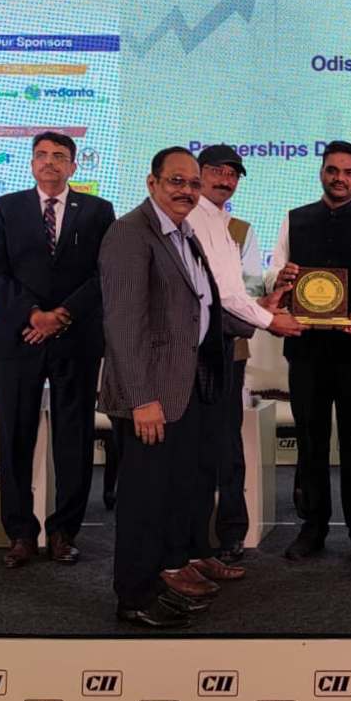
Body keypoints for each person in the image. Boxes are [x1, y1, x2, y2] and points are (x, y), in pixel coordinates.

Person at [98, 147, 228, 627]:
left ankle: (154, 585)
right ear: (151, 183)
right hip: (149, 396)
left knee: (168, 495)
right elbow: (123, 324)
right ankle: (133, 596)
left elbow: (199, 307)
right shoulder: (130, 233)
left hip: (182, 388)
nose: (186, 191)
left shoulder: (183, 233)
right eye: (176, 181)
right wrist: (142, 399)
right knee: (142, 501)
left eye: (193, 184)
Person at [0, 131, 116, 568]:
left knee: (73, 438)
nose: (49, 162)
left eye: (59, 156)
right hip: (18, 337)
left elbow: (103, 274)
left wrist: (61, 315)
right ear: (31, 163)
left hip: (75, 337)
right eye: (41, 155)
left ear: (74, 166)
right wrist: (34, 315)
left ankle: (64, 531)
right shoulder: (6, 207)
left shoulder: (97, 210)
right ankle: (20, 533)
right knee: (15, 437)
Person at [265, 141, 351, 562]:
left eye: (349, 172)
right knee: (310, 439)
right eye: (333, 170)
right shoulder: (294, 218)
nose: (340, 178)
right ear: (321, 172)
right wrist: (280, 278)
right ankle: (312, 528)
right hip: (306, 348)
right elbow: (275, 270)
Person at [188, 145, 305, 565]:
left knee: (226, 442)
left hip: (229, 349)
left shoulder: (238, 228)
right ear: (198, 173)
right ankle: (193, 540)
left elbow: (247, 291)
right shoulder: (181, 219)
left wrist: (270, 302)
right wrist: (269, 319)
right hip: (186, 352)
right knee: (192, 447)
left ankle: (231, 532)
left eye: (232, 174)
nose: (225, 180)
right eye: (216, 171)